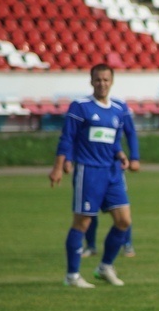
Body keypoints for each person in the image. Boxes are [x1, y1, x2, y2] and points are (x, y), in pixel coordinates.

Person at [49, 63, 139, 287]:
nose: (102, 84)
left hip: (112, 171)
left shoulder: (119, 107)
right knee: (83, 222)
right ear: (91, 81)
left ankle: (105, 266)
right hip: (88, 171)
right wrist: (59, 166)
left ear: (112, 81)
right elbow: (67, 137)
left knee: (124, 220)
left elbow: (120, 136)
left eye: (106, 80)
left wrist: (124, 154)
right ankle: (72, 276)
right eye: (98, 80)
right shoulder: (80, 107)